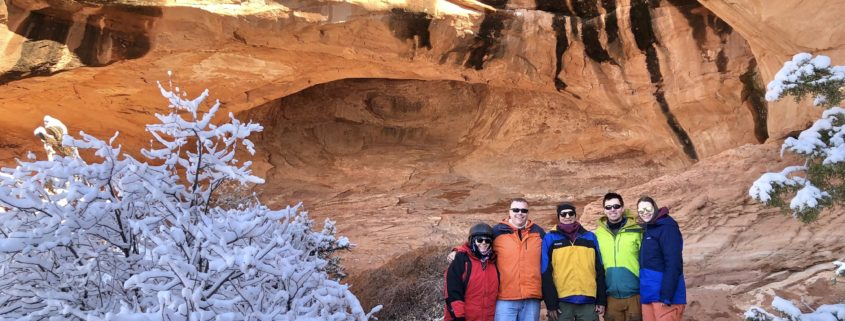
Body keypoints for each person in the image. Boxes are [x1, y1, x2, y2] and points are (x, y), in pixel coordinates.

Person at [541, 202, 606, 321]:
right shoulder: (550, 238)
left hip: (588, 300)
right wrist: (551, 304)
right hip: (562, 303)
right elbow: (545, 272)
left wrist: (601, 300)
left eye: (571, 213)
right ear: (558, 217)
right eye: (563, 214)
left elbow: (599, 269)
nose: (567, 216)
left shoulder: (590, 237)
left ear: (575, 215)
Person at [491, 198, 545, 321]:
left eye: (524, 210)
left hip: (531, 298)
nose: (520, 213)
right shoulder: (497, 232)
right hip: (505, 297)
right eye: (516, 210)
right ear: (509, 212)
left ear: (528, 213)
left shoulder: (538, 232)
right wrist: (457, 250)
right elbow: (477, 244)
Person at [636, 197, 686, 321]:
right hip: (649, 294)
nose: (645, 213)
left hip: (664, 297)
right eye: (641, 211)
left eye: (648, 208)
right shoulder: (649, 228)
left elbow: (674, 262)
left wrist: (667, 295)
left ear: (655, 207)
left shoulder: (667, 227)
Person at [595, 193, 643, 321]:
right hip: (611, 298)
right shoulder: (598, 234)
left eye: (616, 206)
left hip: (635, 296)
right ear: (604, 210)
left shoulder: (637, 230)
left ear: (622, 208)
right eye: (608, 207)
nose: (613, 210)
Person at [444, 223, 499, 321]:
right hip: (463, 317)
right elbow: (453, 293)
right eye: (479, 240)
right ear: (472, 241)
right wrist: (459, 317)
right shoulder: (461, 260)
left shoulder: (494, 262)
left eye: (487, 240)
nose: (484, 243)